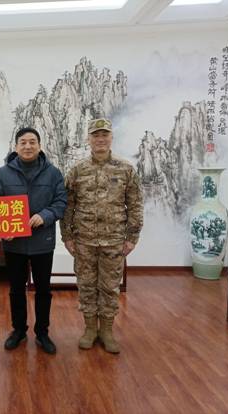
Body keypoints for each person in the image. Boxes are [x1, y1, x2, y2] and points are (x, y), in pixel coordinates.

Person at [60, 118, 144, 354]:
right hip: (84, 240)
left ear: (111, 138)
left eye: (104, 135)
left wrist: (132, 237)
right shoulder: (77, 170)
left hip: (114, 240)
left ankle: (106, 331)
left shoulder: (125, 169)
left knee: (110, 287)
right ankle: (89, 329)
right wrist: (67, 236)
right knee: (86, 285)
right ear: (88, 139)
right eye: (95, 135)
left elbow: (135, 204)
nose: (100, 139)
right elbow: (67, 206)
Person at [0, 127, 67, 354]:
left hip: (43, 241)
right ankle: (18, 330)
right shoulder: (3, 173)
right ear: (16, 147)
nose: (28, 146)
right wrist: (4, 227)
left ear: (39, 146)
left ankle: (42, 332)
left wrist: (45, 216)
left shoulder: (53, 173)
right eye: (23, 142)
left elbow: (61, 202)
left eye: (32, 142)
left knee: (43, 289)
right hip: (14, 243)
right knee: (16, 289)